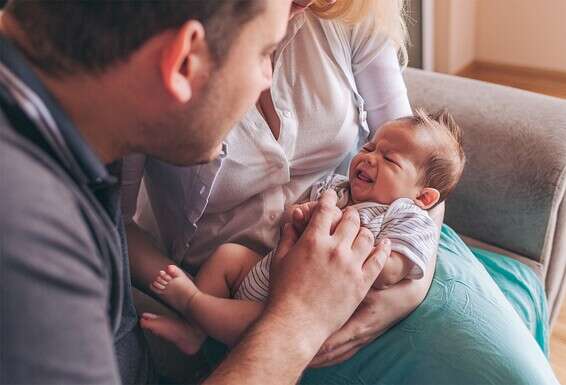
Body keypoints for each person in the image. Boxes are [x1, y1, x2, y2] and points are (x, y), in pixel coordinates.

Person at [0, 1, 392, 384]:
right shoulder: (26, 235)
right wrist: (300, 321)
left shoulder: (63, 128)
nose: (268, 79)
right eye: (265, 53)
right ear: (183, 61)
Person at [146, 109, 466, 350]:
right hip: (268, 271)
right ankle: (194, 333)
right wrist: (300, 216)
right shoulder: (334, 187)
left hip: (303, 304)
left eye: (390, 160)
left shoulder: (404, 214)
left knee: (263, 325)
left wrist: (356, 246)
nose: (369, 159)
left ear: (423, 197)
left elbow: (396, 268)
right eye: (369, 148)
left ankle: (193, 304)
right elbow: (288, 222)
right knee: (229, 256)